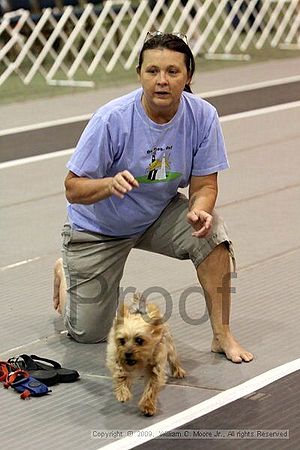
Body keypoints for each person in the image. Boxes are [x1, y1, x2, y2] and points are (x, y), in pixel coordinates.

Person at [53, 31, 253, 364]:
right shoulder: (111, 119)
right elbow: (72, 187)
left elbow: (205, 184)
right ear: (139, 74)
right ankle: (66, 273)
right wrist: (108, 184)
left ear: (188, 76)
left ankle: (222, 335)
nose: (162, 81)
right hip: (99, 227)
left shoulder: (203, 116)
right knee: (88, 335)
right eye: (152, 71)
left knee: (213, 232)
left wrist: (200, 210)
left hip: (156, 213)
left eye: (173, 72)